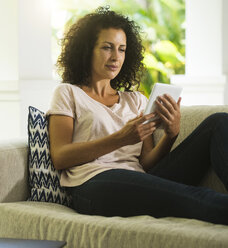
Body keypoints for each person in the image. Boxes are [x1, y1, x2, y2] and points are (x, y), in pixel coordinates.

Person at [46, 6, 228, 225]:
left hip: (140, 180)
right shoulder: (68, 93)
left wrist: (171, 134)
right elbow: (60, 156)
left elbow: (147, 164)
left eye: (122, 49)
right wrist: (121, 138)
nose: (115, 57)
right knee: (194, 198)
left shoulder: (136, 100)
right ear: (87, 50)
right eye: (107, 47)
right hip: (95, 184)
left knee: (218, 122)